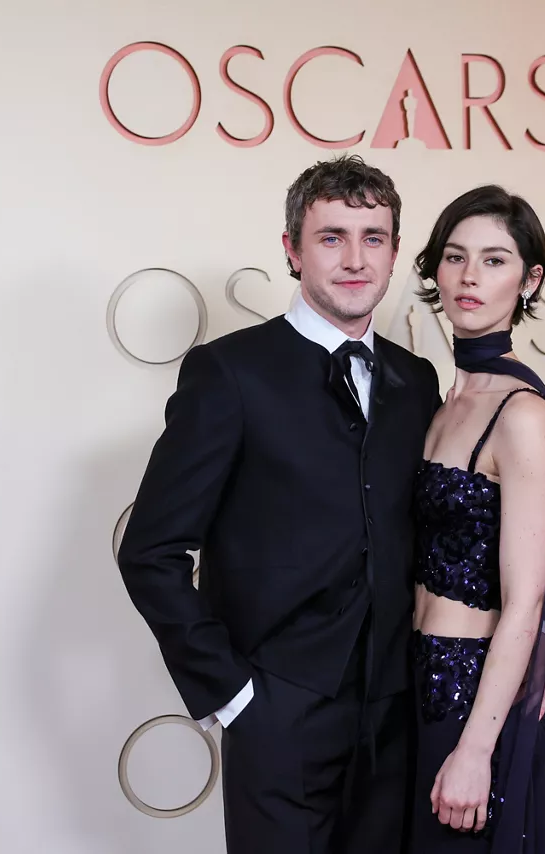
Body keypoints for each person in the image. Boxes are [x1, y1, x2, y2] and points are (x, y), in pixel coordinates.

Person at [116, 154, 441, 854]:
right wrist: (236, 697)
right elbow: (150, 551)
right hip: (279, 711)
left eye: (373, 238)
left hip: (397, 715)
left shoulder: (417, 381)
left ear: (393, 252)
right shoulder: (229, 372)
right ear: (292, 249)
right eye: (331, 238)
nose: (355, 259)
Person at [407, 185, 545, 852]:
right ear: (435, 269)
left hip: (467, 695)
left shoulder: (520, 414)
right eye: (456, 256)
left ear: (531, 280)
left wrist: (474, 749)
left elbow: (524, 606)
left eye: (494, 261)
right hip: (409, 684)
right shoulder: (442, 401)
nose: (470, 276)